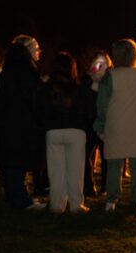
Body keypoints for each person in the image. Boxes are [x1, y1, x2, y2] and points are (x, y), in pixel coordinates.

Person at [93, 38, 136, 213]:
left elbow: (102, 105)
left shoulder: (110, 77)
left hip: (115, 126)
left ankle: (111, 200)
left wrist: (100, 125)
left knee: (114, 165)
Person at [36, 52, 92, 214]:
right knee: (76, 170)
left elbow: (39, 109)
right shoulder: (79, 89)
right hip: (75, 131)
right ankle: (76, 204)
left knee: (55, 170)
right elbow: (89, 110)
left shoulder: (46, 89)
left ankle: (57, 204)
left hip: (53, 131)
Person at [0, 35, 46, 210]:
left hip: (9, 125)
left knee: (13, 163)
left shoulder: (9, 70)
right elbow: (33, 97)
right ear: (26, 50)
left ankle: (18, 196)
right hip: (21, 126)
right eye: (36, 47)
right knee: (17, 163)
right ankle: (21, 200)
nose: (39, 51)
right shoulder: (25, 70)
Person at [82, 50, 112, 196]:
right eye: (97, 62)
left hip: (107, 123)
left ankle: (105, 187)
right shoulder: (87, 80)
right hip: (90, 123)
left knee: (107, 156)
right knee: (86, 155)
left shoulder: (111, 80)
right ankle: (88, 186)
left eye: (103, 63)